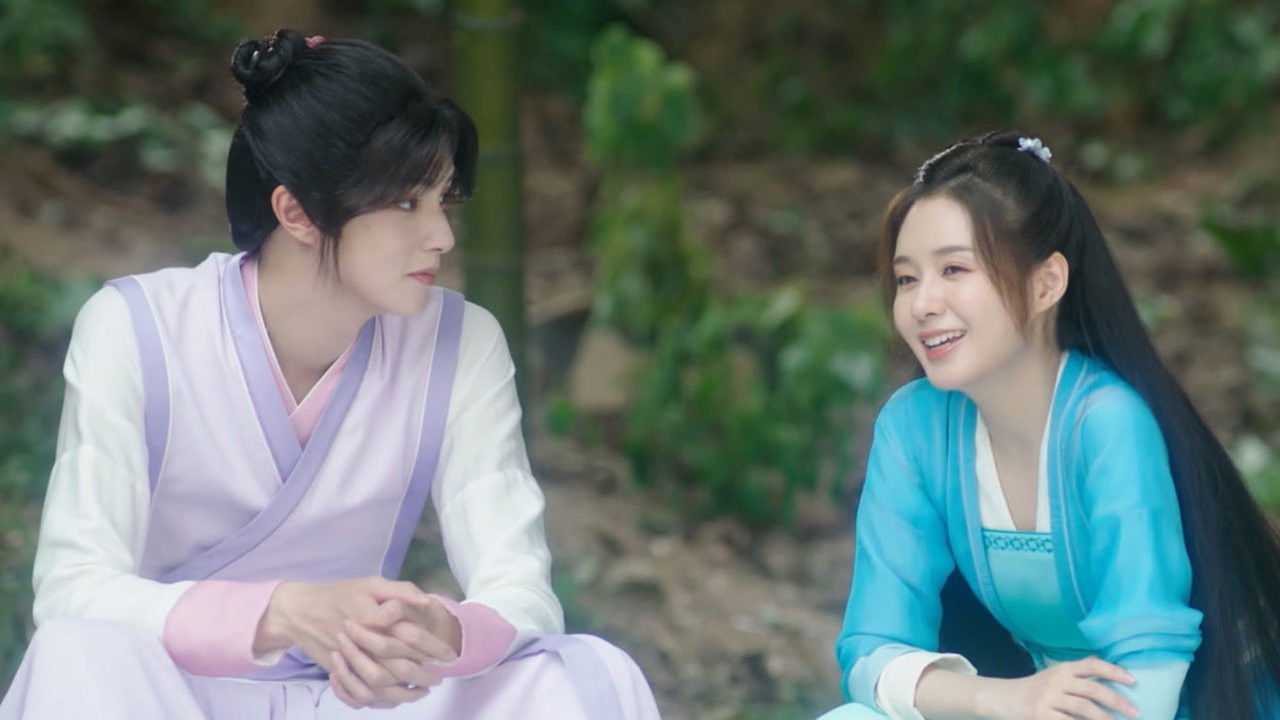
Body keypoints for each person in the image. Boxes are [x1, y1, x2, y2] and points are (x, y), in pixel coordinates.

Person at [0, 29, 660, 719]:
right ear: (298, 212)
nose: (442, 236)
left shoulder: (462, 343)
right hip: (165, 696)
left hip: (360, 701)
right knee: (78, 651)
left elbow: (521, 591)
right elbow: (72, 589)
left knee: (588, 674)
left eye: (442, 199)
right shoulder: (138, 330)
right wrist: (282, 613)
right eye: (406, 202)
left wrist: (438, 633)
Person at [818, 131, 1280, 720]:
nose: (922, 303)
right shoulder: (913, 428)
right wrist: (999, 697)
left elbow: (1150, 664)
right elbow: (872, 652)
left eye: (954, 269)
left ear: (1047, 283)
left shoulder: (1106, 423)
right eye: (907, 278)